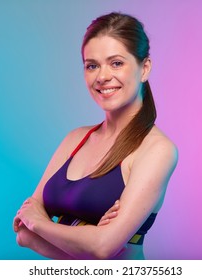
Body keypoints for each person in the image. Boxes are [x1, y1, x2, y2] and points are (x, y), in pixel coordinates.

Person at [13, 12, 178, 260]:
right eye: (92, 65)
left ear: (144, 68)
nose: (102, 77)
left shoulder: (157, 150)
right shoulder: (75, 139)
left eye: (116, 63)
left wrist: (40, 224)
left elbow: (103, 247)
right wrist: (88, 236)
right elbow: (22, 233)